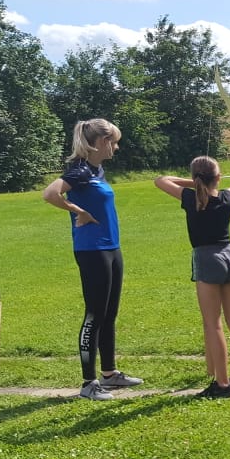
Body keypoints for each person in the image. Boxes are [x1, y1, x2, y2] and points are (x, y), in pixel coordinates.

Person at [42, 118, 144, 401]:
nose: (117, 147)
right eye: (114, 142)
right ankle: (89, 383)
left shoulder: (97, 170)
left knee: (110, 314)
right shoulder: (79, 170)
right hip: (92, 250)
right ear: (101, 142)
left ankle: (109, 375)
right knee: (94, 314)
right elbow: (50, 194)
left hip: (111, 247)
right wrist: (78, 211)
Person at [154, 157, 230, 399]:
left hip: (207, 258)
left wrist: (194, 181)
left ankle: (222, 384)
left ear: (196, 178)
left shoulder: (191, 197)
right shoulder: (227, 196)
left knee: (212, 323)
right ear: (218, 177)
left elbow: (160, 180)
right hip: (229, 257)